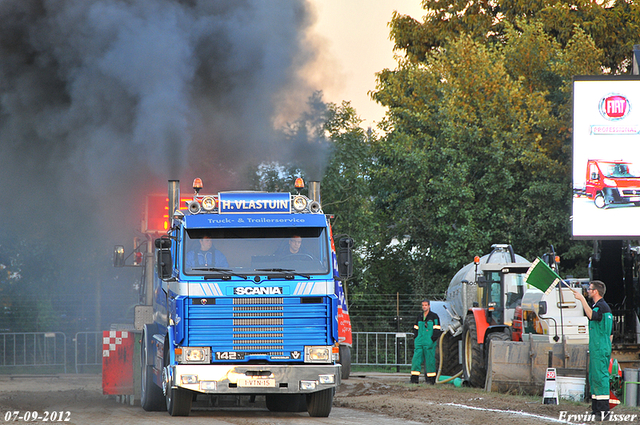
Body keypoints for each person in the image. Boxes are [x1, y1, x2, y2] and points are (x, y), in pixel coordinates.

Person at [572, 281, 613, 421]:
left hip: (599, 347)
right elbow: (611, 333)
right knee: (595, 377)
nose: (588, 291)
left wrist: (581, 299)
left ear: (596, 291)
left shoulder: (600, 307)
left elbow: (591, 316)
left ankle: (603, 411)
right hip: (601, 346)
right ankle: (596, 410)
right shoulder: (604, 307)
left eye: (589, 289)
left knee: (600, 377)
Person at [410, 299, 442, 384]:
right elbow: (415, 328)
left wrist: (432, 340)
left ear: (429, 306)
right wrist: (416, 338)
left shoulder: (434, 316)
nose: (424, 306)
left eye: (425, 305)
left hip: (429, 343)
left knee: (430, 361)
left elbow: (437, 329)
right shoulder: (419, 316)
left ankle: (431, 380)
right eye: (423, 305)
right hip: (419, 342)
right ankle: (414, 379)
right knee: (416, 360)